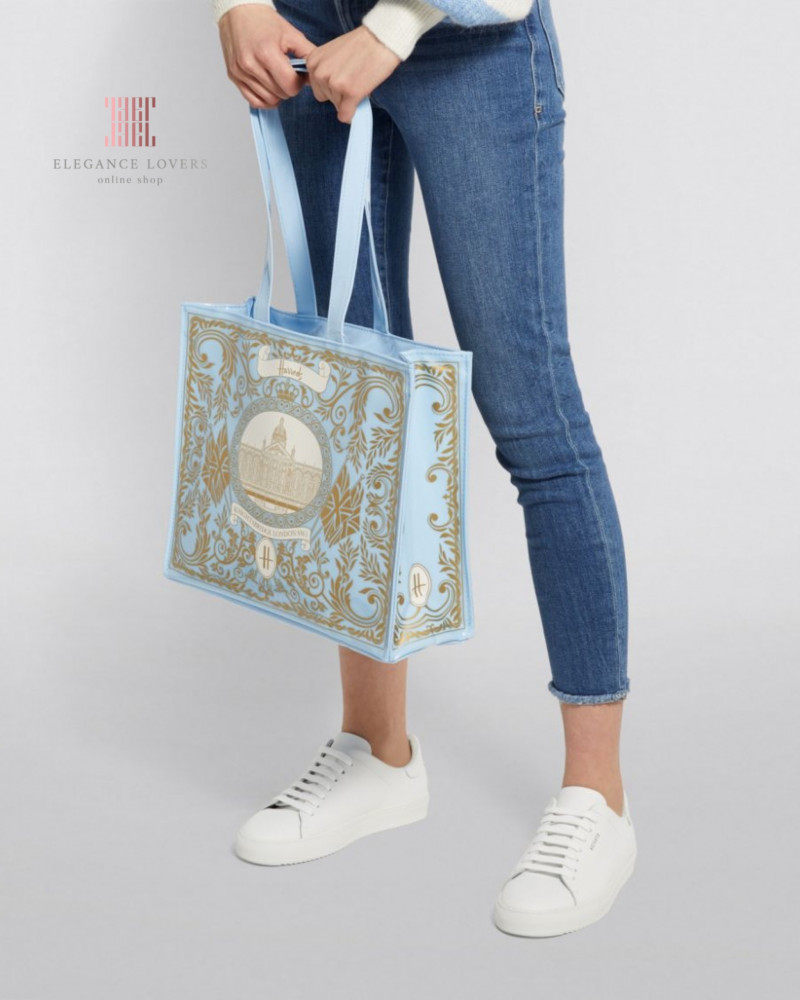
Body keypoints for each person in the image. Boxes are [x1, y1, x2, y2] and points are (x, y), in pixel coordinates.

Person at [212, 0, 637, 938]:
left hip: (467, 40)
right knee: (352, 407)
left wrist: (395, 27)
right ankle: (378, 752)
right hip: (307, 32)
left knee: (533, 417)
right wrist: (237, 4)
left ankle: (597, 796)